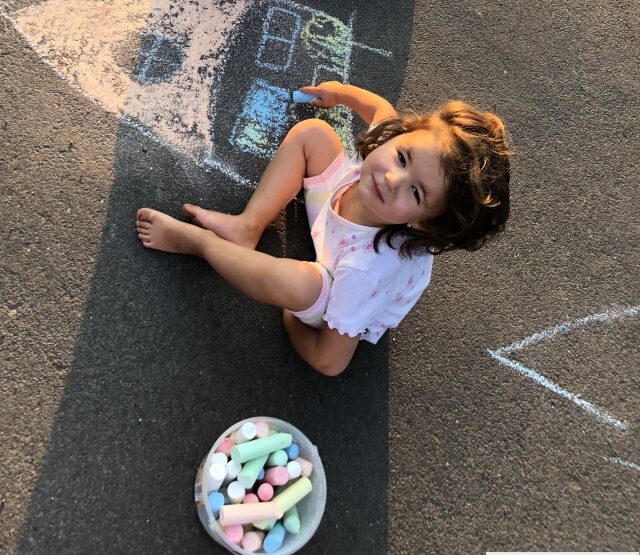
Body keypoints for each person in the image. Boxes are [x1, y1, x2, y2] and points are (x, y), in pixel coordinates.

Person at [136, 82, 510, 376]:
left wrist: (292, 322)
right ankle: (248, 227)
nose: (392, 178)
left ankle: (199, 243)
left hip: (343, 278)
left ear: (423, 222)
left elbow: (330, 361)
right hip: (334, 224)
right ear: (400, 135)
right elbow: (380, 108)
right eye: (401, 157)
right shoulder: (385, 158)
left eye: (416, 192)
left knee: (300, 285)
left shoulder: (368, 272)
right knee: (314, 133)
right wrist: (339, 94)